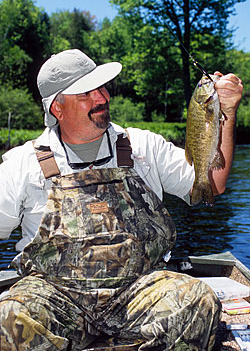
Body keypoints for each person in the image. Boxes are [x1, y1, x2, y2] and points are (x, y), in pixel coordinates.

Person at [0, 49, 243, 351]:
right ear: (57, 108)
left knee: (197, 303)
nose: (101, 97)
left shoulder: (143, 146)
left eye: (102, 87)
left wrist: (227, 112)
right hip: (55, 295)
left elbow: (211, 184)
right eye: (86, 93)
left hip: (138, 291)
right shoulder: (20, 164)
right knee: (9, 317)